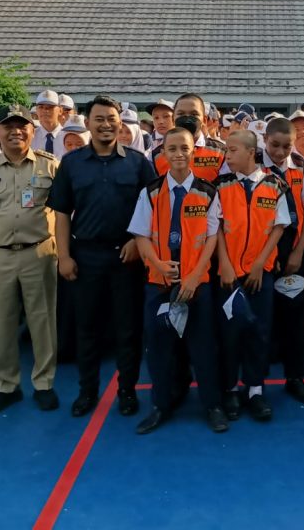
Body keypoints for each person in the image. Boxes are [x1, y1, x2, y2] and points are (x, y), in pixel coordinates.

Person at [48, 96, 157, 418]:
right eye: (99, 119)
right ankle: (87, 391)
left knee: (128, 329)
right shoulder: (72, 163)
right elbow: (62, 214)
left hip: (127, 258)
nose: (106, 124)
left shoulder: (138, 163)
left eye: (111, 119)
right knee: (87, 328)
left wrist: (137, 241)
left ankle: (127, 391)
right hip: (86, 257)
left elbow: (155, 209)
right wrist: (63, 256)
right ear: (88, 123)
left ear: (120, 123)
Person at [128, 127, 229, 434]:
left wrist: (195, 276)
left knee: (203, 347)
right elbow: (141, 235)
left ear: (193, 151)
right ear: (163, 153)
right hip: (159, 284)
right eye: (172, 148)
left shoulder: (207, 192)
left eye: (184, 148)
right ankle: (160, 405)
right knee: (159, 347)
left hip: (197, 284)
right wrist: (157, 264)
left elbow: (212, 237)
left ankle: (212, 405)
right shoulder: (150, 192)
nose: (179, 154)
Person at [0, 105, 61, 413]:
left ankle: (44, 383)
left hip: (39, 252)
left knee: (42, 320)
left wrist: (63, 252)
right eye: (8, 126)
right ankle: (7, 385)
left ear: (33, 130)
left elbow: (65, 213)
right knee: (1, 321)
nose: (16, 131)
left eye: (22, 125)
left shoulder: (50, 166)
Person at [215, 130, 289, 421]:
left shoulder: (275, 185)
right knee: (230, 333)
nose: (227, 156)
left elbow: (279, 227)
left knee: (259, 331)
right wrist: (225, 264)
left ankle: (255, 389)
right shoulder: (220, 186)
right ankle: (231, 388)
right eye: (226, 150)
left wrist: (260, 264)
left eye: (232, 150)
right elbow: (216, 228)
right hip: (229, 275)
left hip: (260, 274)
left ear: (250, 152)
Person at [260, 116, 304, 404]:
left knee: (296, 316)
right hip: (260, 252)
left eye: (287, 146)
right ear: (264, 140)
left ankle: (295, 377)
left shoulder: (301, 166)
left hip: (294, 249)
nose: (280, 152)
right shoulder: (252, 165)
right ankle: (255, 384)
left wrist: (299, 251)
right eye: (275, 145)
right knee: (261, 316)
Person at [151, 94, 227, 182]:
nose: (187, 118)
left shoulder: (221, 152)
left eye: (194, 114)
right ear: (173, 119)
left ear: (204, 120)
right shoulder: (157, 155)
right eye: (181, 114)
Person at [31, 89, 65, 158]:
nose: (45, 110)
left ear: (60, 111)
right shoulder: (31, 137)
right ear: (36, 110)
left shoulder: (67, 136)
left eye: (50, 107)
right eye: (41, 107)